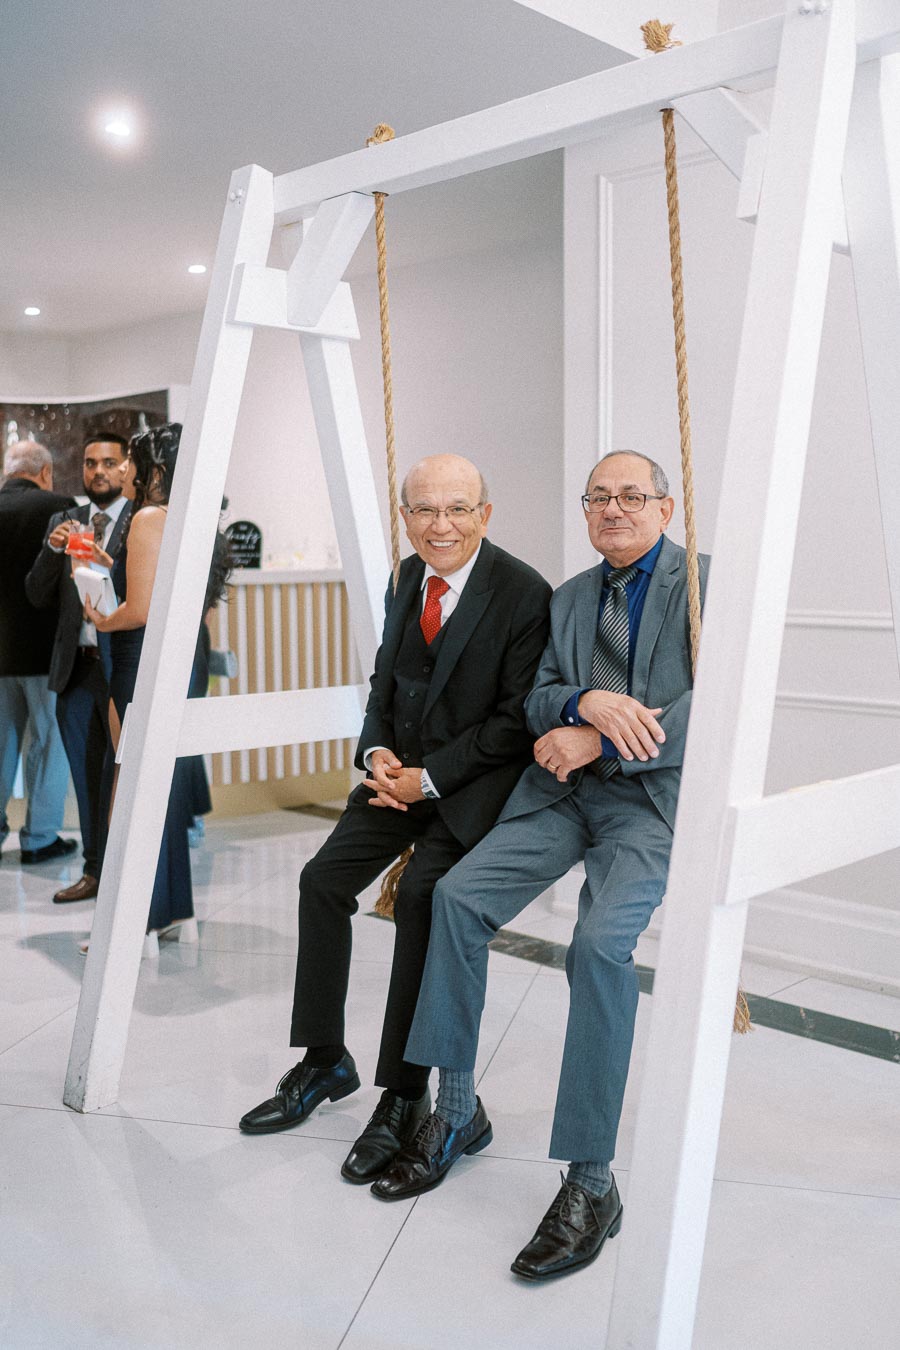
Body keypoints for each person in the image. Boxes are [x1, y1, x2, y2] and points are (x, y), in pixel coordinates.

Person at [378, 451, 708, 1284]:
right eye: (599, 498)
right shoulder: (568, 599)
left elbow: (714, 699)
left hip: (648, 804)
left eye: (632, 496)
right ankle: (456, 1112)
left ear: (666, 509)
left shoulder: (703, 588)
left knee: (598, 950)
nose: (614, 510)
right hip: (561, 793)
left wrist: (600, 733)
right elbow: (534, 698)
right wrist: (576, 704)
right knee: (454, 897)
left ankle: (592, 1185)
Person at [239, 454, 552, 1188]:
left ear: (485, 513)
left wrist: (430, 780)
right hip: (395, 777)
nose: (440, 525)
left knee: (420, 901)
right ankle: (324, 1061)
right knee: (321, 883)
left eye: (456, 509)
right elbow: (384, 681)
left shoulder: (524, 593)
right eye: (424, 511)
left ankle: (403, 1095)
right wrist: (377, 753)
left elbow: (513, 722)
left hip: (467, 790)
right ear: (405, 515)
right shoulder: (406, 577)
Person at [84, 423, 228, 938]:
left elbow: (139, 610)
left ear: (155, 470)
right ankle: (173, 913)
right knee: (161, 789)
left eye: (129, 461)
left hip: (138, 660)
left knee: (131, 791)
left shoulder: (146, 518)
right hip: (178, 657)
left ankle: (135, 924)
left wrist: (102, 617)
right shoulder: (193, 519)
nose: (122, 470)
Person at [25, 435, 132, 902]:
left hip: (124, 669)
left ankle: (133, 875)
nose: (98, 471)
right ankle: (95, 872)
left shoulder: (140, 521)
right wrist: (52, 549)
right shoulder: (64, 522)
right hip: (77, 671)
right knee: (87, 781)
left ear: (127, 468)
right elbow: (34, 592)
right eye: (90, 463)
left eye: (109, 462)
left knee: (125, 777)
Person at [0, 440, 78, 863]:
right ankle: (40, 837)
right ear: (45, 472)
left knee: (1, 743)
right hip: (45, 650)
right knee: (49, 742)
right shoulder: (60, 507)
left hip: (0, 652)